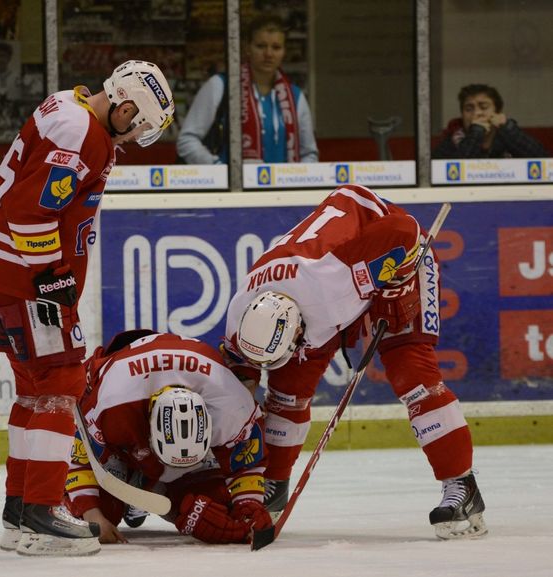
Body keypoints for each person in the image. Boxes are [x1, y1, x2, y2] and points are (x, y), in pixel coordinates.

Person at [0, 60, 175, 557]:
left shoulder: (70, 104)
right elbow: (31, 211)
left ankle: (19, 512)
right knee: (61, 382)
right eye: (138, 124)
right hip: (26, 279)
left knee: (34, 389)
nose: (134, 136)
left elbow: (29, 195)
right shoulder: (84, 133)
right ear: (123, 107)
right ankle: (40, 514)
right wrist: (51, 279)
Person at [221, 184, 488, 541]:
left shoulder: (332, 286)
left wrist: (395, 281)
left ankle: (462, 486)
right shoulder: (242, 314)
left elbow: (404, 230)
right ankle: (272, 484)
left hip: (391, 252)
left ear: (299, 328)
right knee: (286, 390)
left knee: (413, 376)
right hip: (331, 274)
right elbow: (239, 384)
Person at [63, 330, 272, 545]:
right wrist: (91, 514)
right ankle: (135, 479)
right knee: (99, 515)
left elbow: (245, 462)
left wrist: (249, 505)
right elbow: (78, 458)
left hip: (153, 392)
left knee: (216, 504)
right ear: (147, 428)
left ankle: (150, 484)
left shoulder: (230, 405)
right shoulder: (111, 406)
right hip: (117, 394)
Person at [176, 13, 318, 164]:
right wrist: (220, 171)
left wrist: (296, 180)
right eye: (261, 46)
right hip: (231, 186)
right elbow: (187, 140)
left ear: (284, 52)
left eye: (276, 47)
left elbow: (309, 153)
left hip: (284, 186)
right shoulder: (221, 86)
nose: (268, 54)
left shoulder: (295, 97)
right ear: (247, 48)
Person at [432, 83, 549, 159]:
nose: (477, 113)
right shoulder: (451, 141)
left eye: (483, 107)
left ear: (497, 112)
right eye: (469, 109)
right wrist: (476, 132)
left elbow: (542, 160)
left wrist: (508, 128)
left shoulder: (509, 135)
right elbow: (454, 172)